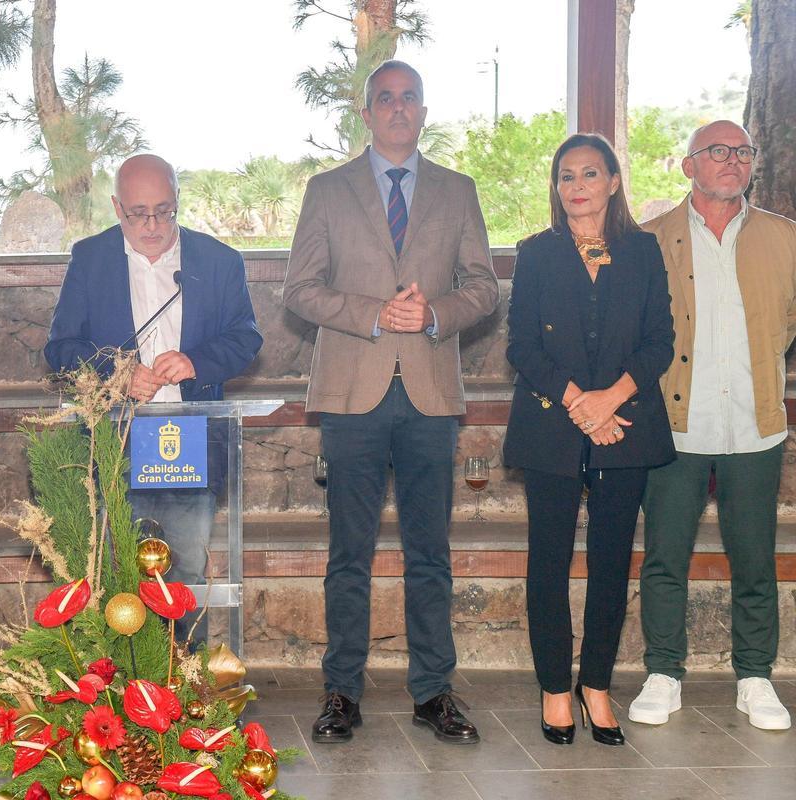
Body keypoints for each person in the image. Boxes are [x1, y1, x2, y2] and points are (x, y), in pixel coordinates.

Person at [284, 60, 498, 745]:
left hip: (432, 394)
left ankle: (434, 691)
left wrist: (433, 314)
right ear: (367, 113)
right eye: (386, 99)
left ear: (424, 111)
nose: (399, 108)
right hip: (353, 394)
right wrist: (379, 314)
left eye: (410, 98)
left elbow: (484, 287)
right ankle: (341, 692)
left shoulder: (458, 190)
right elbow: (301, 290)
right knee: (349, 553)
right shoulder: (327, 189)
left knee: (429, 553)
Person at [44, 153, 263, 641]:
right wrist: (118, 374)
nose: (152, 224)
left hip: (193, 441)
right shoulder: (91, 258)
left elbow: (246, 337)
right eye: (138, 213)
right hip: (116, 444)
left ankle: (186, 694)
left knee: (181, 575)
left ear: (178, 203)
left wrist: (196, 362)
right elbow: (60, 348)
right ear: (117, 207)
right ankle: (119, 700)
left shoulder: (218, 260)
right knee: (115, 572)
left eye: (164, 211)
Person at [504, 133, 676, 746]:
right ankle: (555, 688)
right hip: (553, 423)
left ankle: (596, 685)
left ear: (612, 182)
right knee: (547, 563)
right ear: (557, 188)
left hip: (625, 425)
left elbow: (661, 340)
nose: (577, 185)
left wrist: (610, 400)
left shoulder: (644, 250)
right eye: (566, 176)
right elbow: (522, 345)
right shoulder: (536, 253)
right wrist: (581, 402)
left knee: (610, 564)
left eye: (590, 173)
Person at [629, 120, 796, 731]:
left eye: (743, 151)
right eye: (718, 151)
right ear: (688, 166)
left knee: (755, 558)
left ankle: (755, 677)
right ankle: (664, 673)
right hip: (675, 427)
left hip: (755, 428)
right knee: (665, 556)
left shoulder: (786, 239)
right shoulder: (649, 240)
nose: (733, 160)